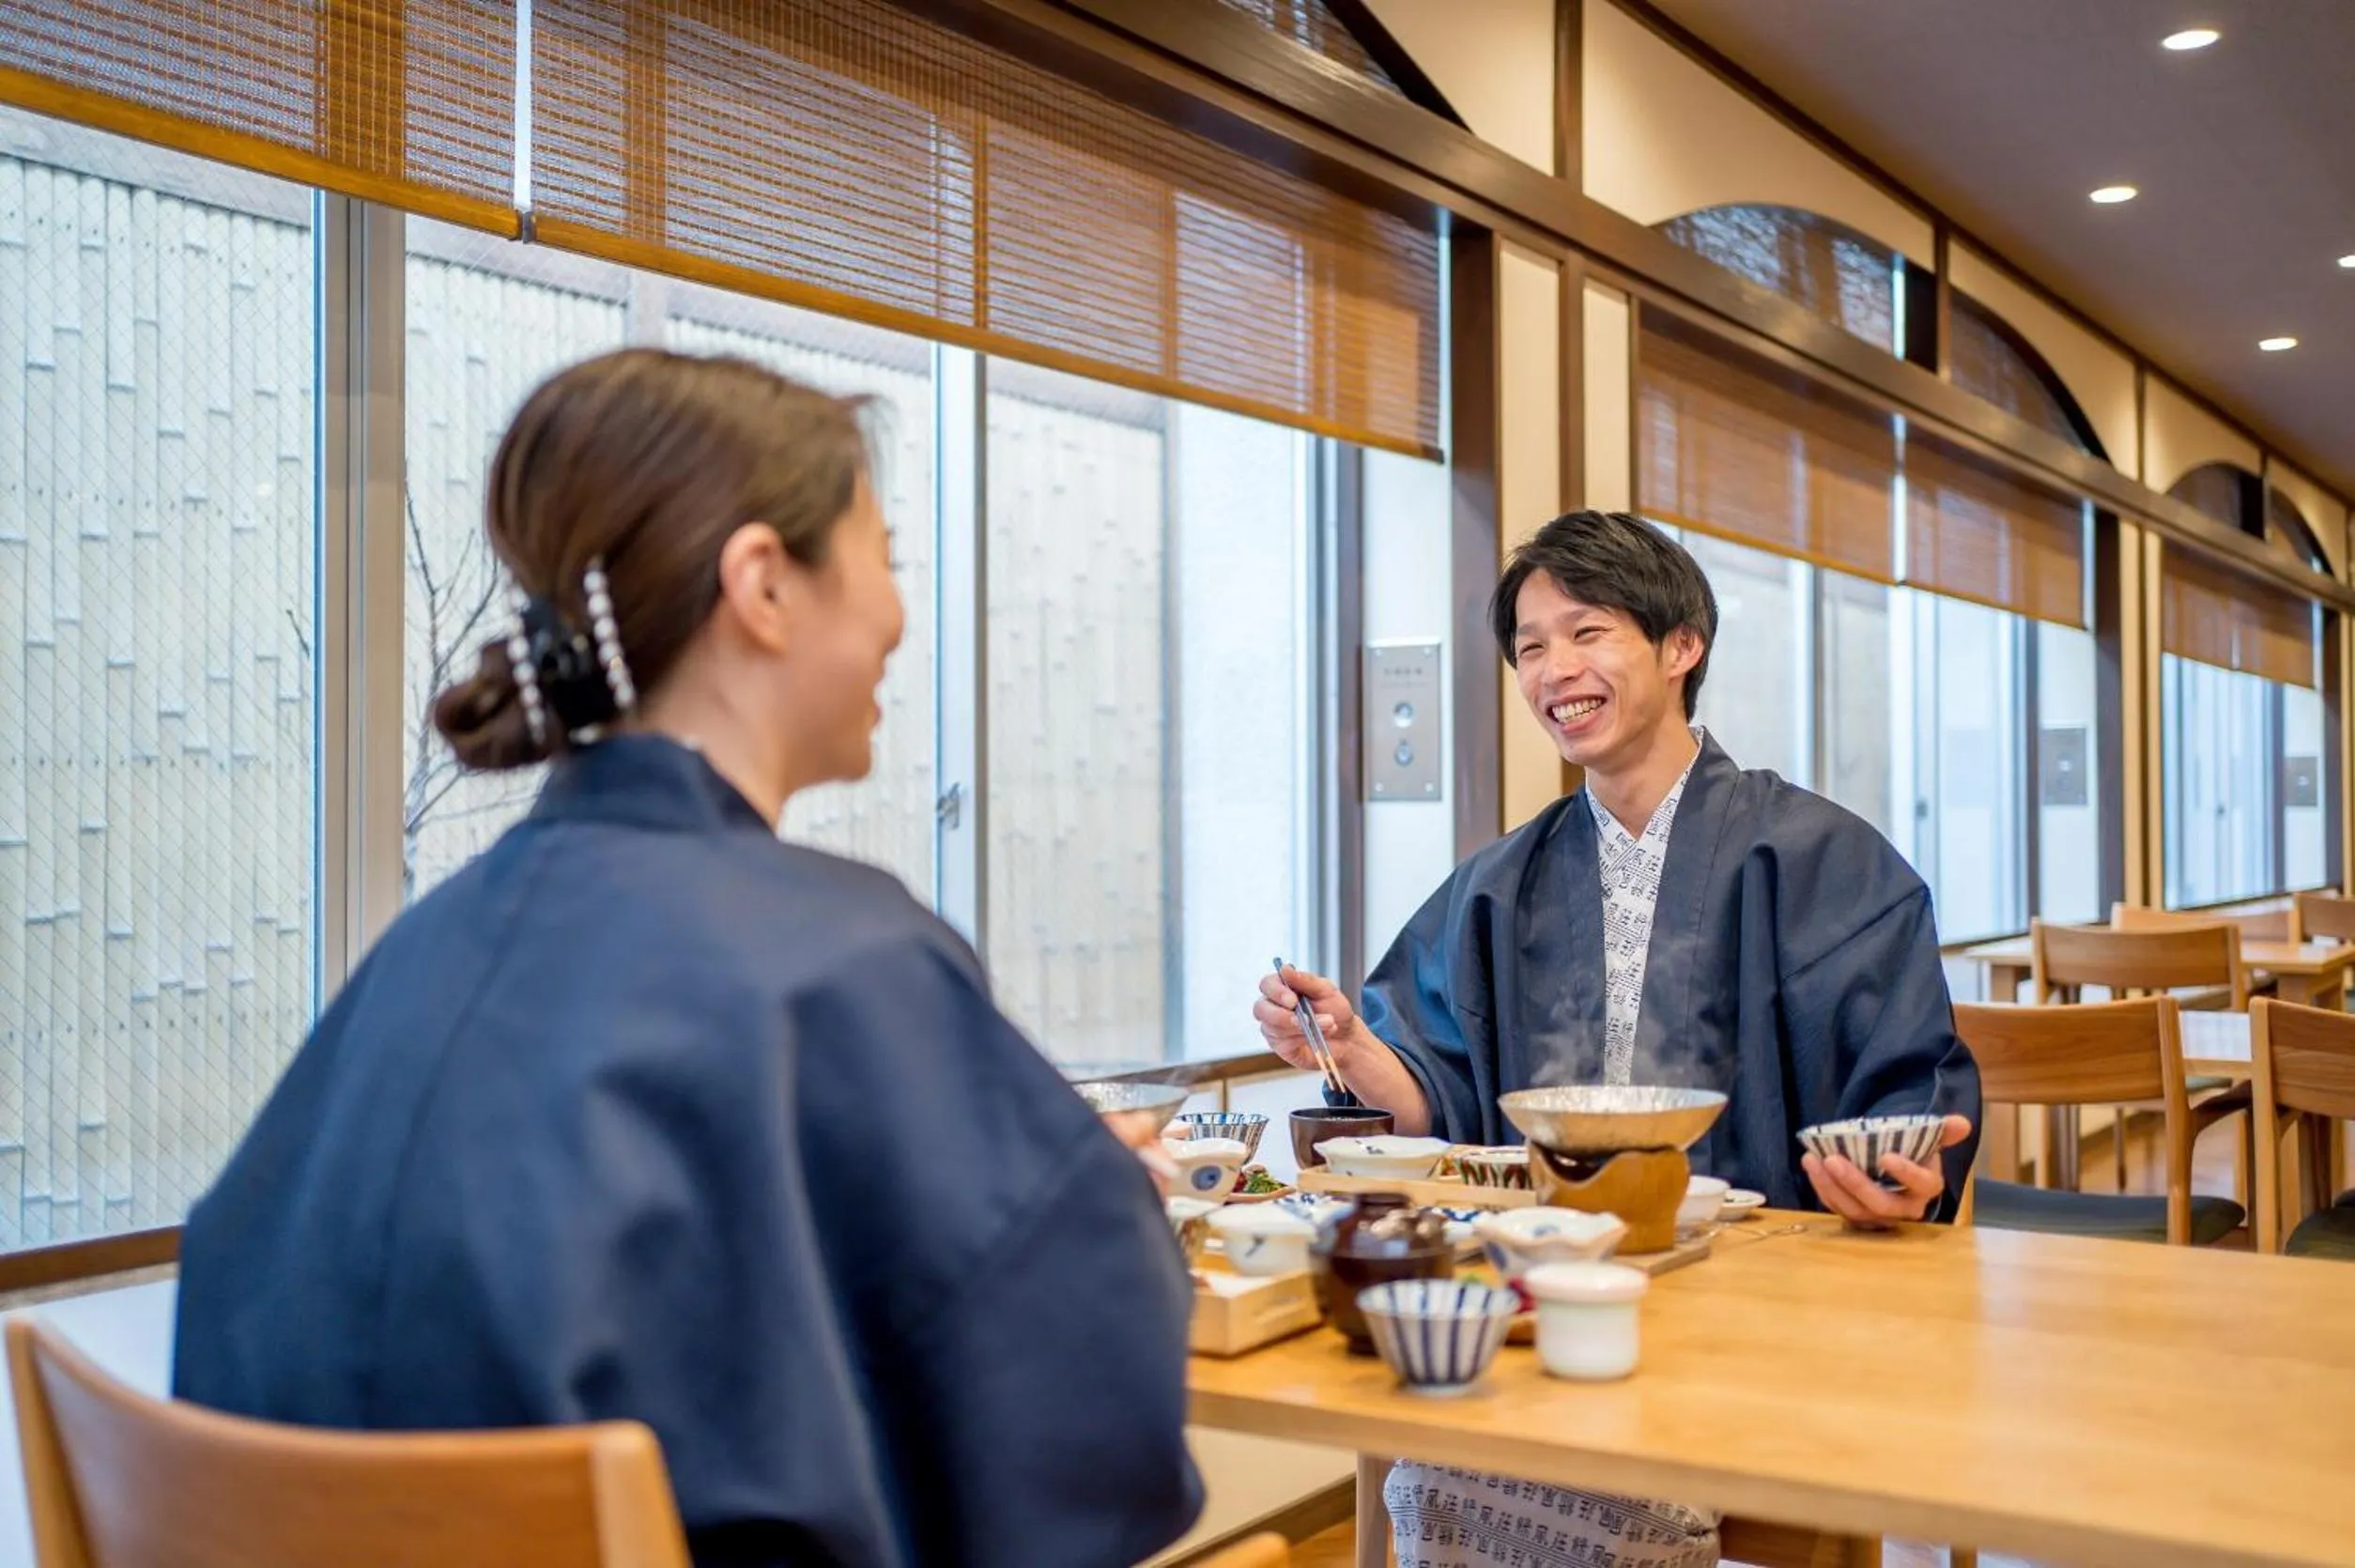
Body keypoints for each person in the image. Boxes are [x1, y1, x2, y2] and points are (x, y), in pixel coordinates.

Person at [174, 349, 1203, 1568]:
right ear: (764, 584)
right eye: (885, 558)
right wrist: (1099, 1205)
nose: (896, 614)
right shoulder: (846, 953)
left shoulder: (425, 948)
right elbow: (1073, 1402)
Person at [1255, 510, 1980, 1567]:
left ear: (1681, 644)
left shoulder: (1826, 859)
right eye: (1532, 646)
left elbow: (1907, 1097)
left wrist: (1902, 1171)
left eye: (1586, 631)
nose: (1555, 669)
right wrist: (1356, 1050)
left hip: (1764, 1302)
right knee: (1441, 1435)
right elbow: (1437, 1096)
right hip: (1545, 1292)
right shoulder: (1505, 879)